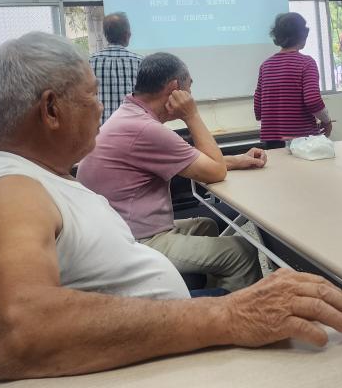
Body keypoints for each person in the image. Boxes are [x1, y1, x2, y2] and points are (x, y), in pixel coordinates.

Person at [0, 32, 342, 380]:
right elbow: (21, 332)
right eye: (92, 96)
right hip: (168, 367)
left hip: (164, 338)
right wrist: (228, 315)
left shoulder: (37, 175)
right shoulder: (11, 191)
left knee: (213, 234)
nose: (101, 107)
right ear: (51, 109)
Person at [78, 52, 264, 292]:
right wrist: (192, 115)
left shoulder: (129, 116)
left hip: (118, 231)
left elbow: (194, 160)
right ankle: (234, 321)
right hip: (135, 242)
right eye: (190, 88)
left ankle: (211, 297)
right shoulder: (144, 128)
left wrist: (238, 160)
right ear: (176, 88)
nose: (191, 96)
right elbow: (215, 171)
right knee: (242, 251)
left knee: (206, 225)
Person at [254, 12, 332, 148]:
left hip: (271, 139)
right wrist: (327, 121)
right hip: (301, 139)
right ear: (302, 36)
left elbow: (258, 106)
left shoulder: (266, 65)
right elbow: (313, 100)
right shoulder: (306, 63)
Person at [89, 12, 142, 124]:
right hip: (132, 131)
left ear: (105, 35)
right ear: (127, 34)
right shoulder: (141, 62)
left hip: (100, 133)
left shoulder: (89, 62)